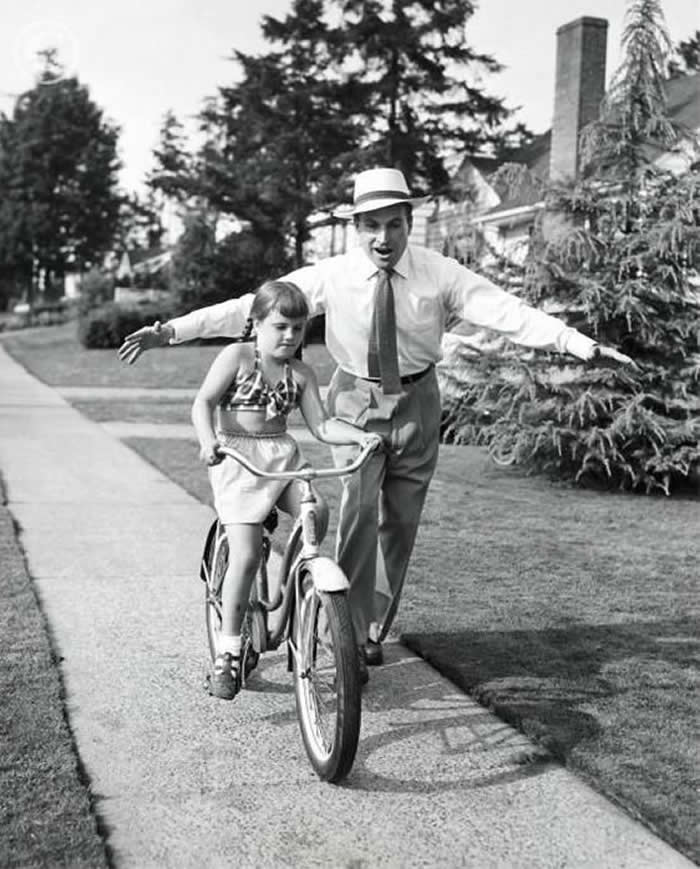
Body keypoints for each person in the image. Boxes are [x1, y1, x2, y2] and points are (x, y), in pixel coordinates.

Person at [120, 167, 635, 680]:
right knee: (357, 514)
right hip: (353, 400)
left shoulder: (440, 272)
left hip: (418, 400)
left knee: (400, 528)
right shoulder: (333, 274)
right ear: (357, 225)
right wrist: (171, 331)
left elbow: (506, 310)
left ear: (410, 223)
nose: (382, 238)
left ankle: (367, 631)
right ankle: (336, 629)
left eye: (393, 224)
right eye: (371, 225)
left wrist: (579, 345)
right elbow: (248, 310)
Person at [191, 280, 380, 698]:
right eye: (280, 326)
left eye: (298, 328)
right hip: (238, 462)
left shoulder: (301, 373)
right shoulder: (238, 358)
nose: (290, 336)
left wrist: (357, 436)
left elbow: (322, 425)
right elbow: (203, 402)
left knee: (318, 511)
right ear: (256, 323)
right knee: (243, 553)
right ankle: (229, 651)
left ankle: (293, 582)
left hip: (282, 459)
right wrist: (208, 441)